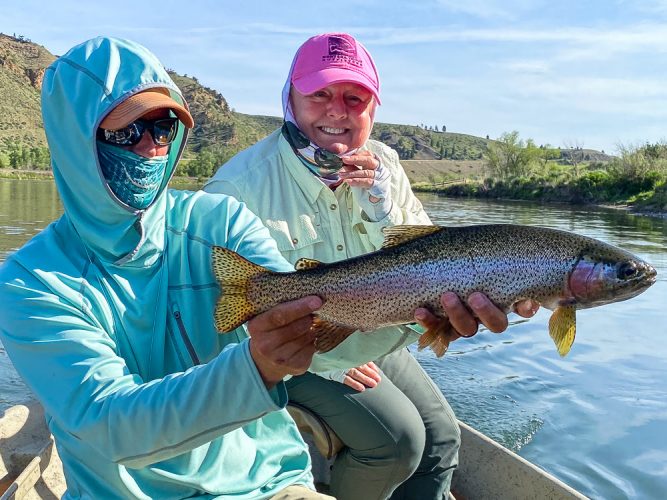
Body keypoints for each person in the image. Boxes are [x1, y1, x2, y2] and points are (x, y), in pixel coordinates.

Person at [0, 36, 414, 499]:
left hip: (267, 484)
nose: (150, 148)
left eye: (163, 129)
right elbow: (108, 424)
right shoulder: (30, 282)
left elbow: (317, 333)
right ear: (74, 140)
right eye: (126, 132)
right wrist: (255, 368)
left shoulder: (221, 222)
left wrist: (417, 310)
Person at [204, 33, 539, 499]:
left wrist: (384, 203)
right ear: (290, 98)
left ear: (373, 109)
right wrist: (324, 363)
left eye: (354, 98)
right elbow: (214, 326)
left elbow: (434, 254)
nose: (337, 110)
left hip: (377, 333)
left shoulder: (386, 164)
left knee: (443, 438)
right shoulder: (235, 191)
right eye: (319, 93)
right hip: (290, 356)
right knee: (398, 442)